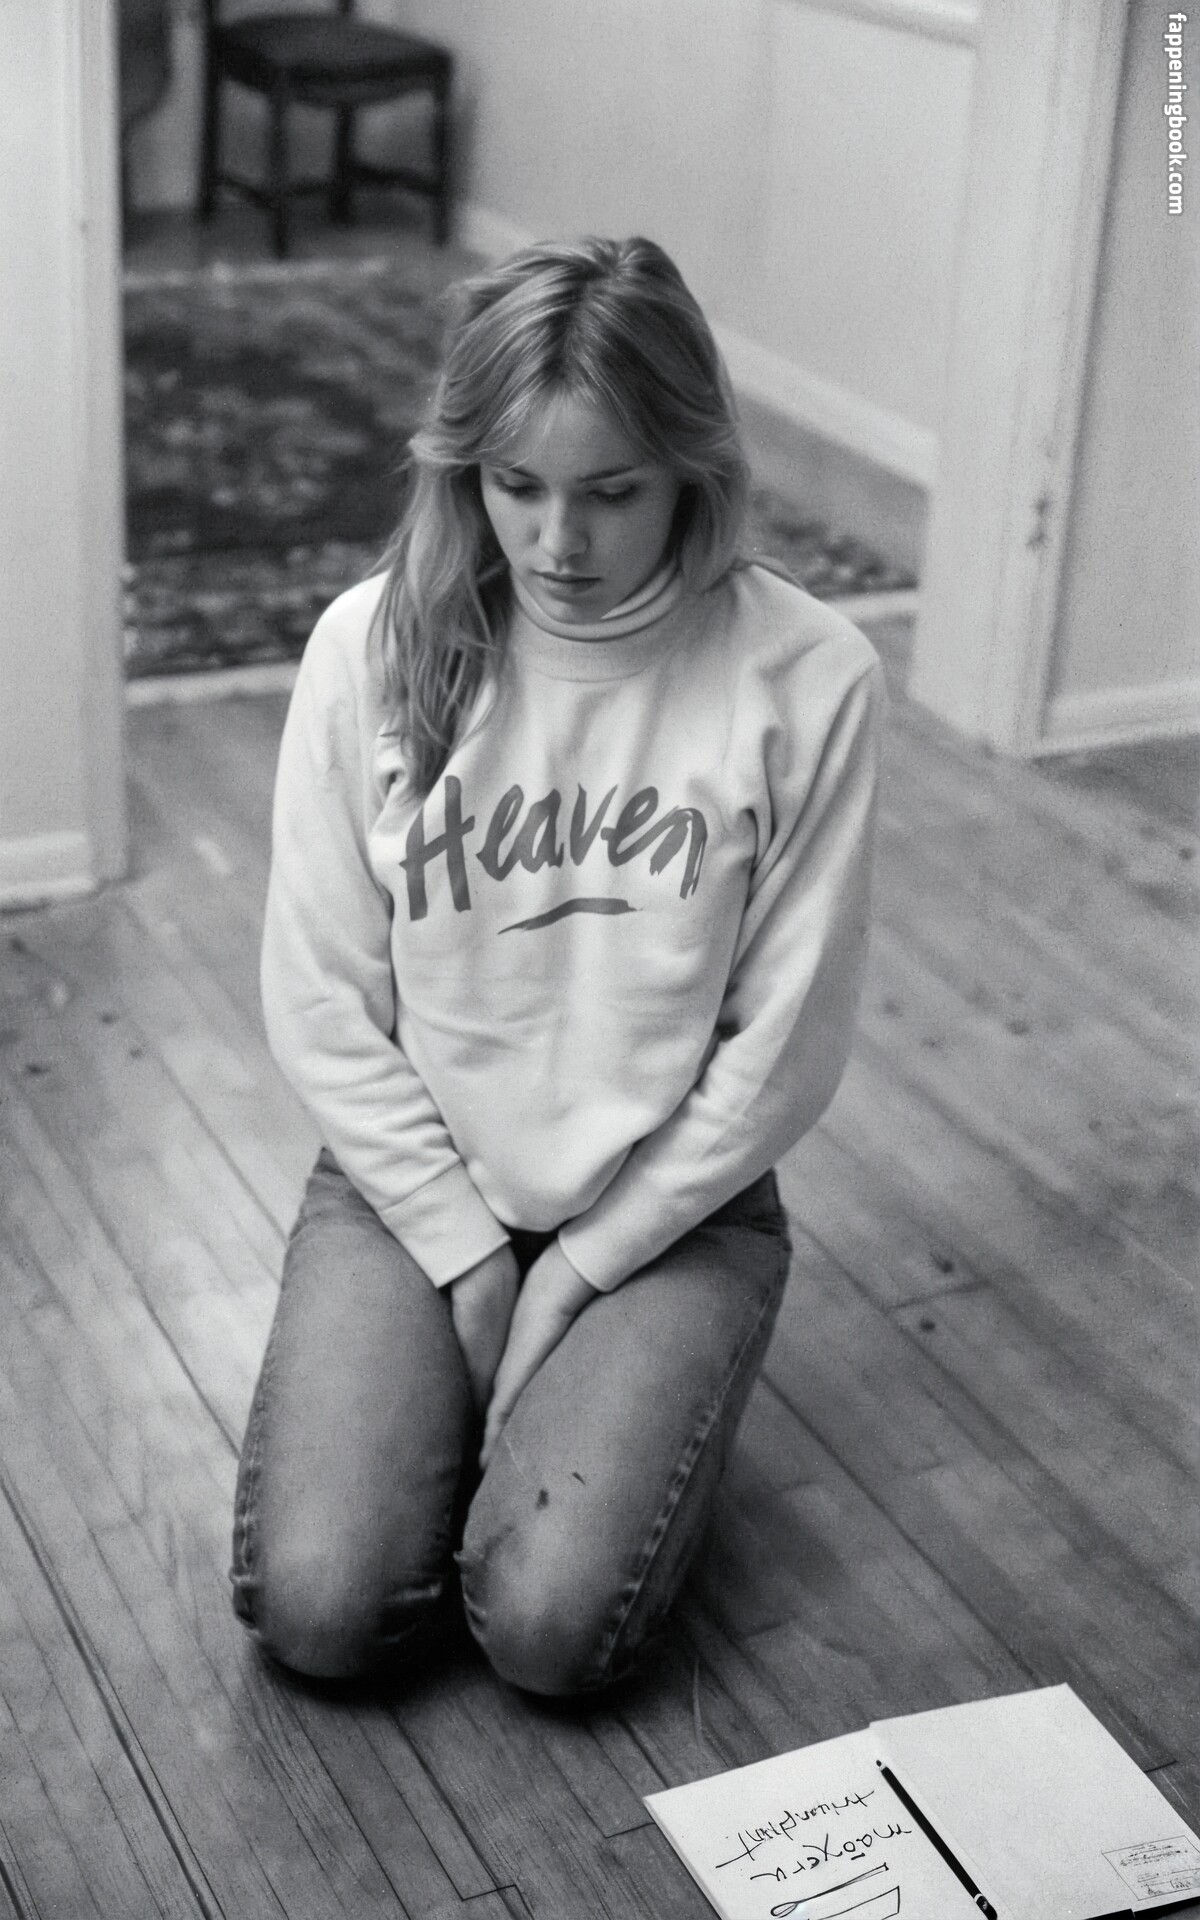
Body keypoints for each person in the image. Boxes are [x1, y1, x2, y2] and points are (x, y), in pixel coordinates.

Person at [230, 235, 884, 1696]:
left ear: (691, 470)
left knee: (549, 1630)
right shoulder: (371, 646)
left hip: (678, 1202)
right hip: (410, 1177)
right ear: (465, 469)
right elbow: (319, 1002)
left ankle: (630, 1393)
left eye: (613, 493)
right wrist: (473, 1264)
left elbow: (783, 1051)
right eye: (514, 486)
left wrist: (577, 1272)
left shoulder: (811, 676)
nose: (557, 545)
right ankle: (508, 1405)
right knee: (322, 1607)